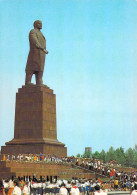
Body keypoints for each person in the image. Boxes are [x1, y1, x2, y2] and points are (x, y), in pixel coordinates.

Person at [25, 20, 48, 85]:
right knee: (32, 67)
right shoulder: (33, 31)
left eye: (41, 23)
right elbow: (34, 41)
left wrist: (43, 50)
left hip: (42, 54)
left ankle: (39, 82)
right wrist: (41, 47)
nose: (41, 24)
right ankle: (28, 81)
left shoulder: (41, 33)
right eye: (39, 23)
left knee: (40, 69)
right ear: (35, 24)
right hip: (35, 53)